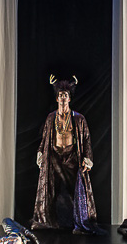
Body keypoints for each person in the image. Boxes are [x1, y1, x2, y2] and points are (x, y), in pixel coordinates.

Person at [31, 76, 105, 234]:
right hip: (54, 157)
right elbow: (45, 137)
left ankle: (81, 222)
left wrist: (87, 158)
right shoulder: (51, 118)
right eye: (60, 95)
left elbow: (86, 139)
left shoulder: (78, 118)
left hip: (72, 157)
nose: (63, 97)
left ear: (69, 98)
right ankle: (48, 221)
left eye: (65, 95)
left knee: (77, 189)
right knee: (51, 188)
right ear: (57, 98)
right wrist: (40, 152)